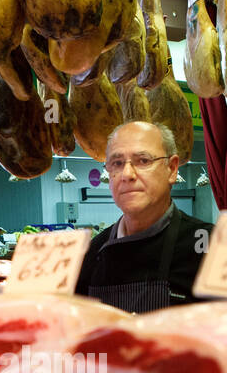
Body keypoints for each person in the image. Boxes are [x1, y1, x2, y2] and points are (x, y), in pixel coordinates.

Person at [74, 121, 213, 314]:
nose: (127, 174)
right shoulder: (90, 254)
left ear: (172, 169)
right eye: (117, 163)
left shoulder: (210, 244)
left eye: (143, 161)